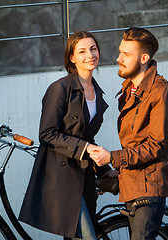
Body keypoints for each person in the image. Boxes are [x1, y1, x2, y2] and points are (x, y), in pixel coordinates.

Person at [87, 27, 168, 240]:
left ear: (144, 58)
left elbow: (156, 146)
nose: (118, 58)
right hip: (133, 183)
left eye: (126, 54)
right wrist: (115, 170)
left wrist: (113, 157)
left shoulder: (161, 92)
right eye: (120, 52)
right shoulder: (130, 89)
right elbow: (134, 142)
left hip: (149, 189)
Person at [19, 31, 115, 239]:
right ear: (72, 58)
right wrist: (86, 148)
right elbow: (47, 133)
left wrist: (105, 170)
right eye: (82, 51)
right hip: (61, 177)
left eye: (93, 49)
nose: (90, 55)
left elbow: (86, 139)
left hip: (84, 177)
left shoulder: (97, 92)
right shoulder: (60, 89)